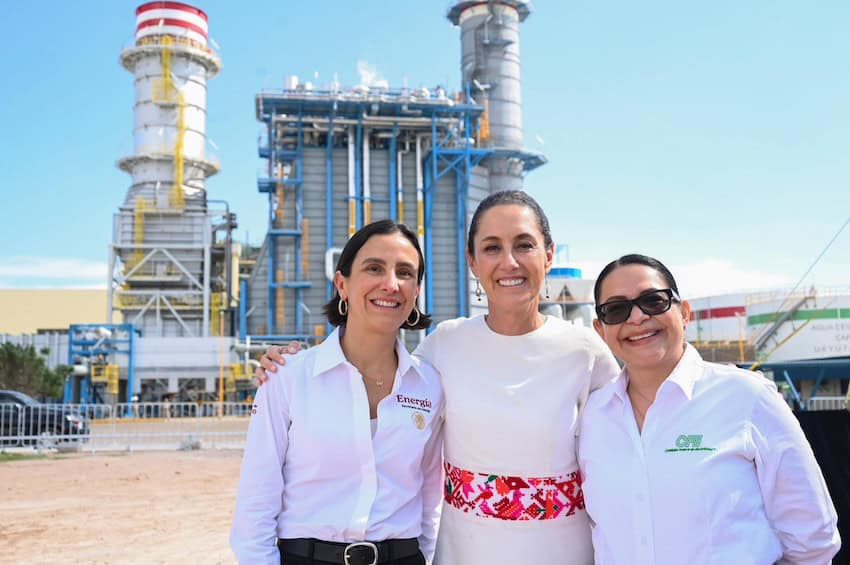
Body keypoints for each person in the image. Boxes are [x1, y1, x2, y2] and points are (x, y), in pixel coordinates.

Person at [258, 190, 621, 564]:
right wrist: (286, 364)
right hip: (465, 552)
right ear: (472, 262)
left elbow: (628, 446)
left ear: (548, 255)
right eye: (492, 247)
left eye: (524, 245)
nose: (509, 261)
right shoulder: (445, 345)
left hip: (562, 552)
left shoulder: (585, 352)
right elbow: (380, 373)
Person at [578, 253, 841, 564]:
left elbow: (813, 537)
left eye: (653, 300)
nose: (636, 318)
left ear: (684, 312)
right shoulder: (592, 417)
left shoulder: (746, 398)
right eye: (616, 309)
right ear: (600, 329)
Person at [230, 219, 445, 565]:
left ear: (416, 291)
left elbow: (431, 498)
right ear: (342, 284)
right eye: (374, 268)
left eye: (405, 273)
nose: (391, 284)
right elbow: (256, 501)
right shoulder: (288, 377)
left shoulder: (431, 385)